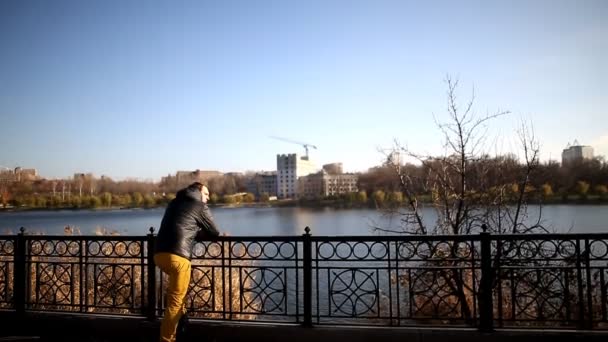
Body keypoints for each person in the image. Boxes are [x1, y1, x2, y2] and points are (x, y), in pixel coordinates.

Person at [154, 182, 220, 342]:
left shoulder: (174, 202)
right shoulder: (199, 206)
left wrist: (191, 230)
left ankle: (182, 325)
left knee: (176, 295)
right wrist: (197, 233)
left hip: (159, 255)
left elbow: (179, 224)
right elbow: (214, 232)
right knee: (175, 303)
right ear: (198, 193)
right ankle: (167, 339)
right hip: (178, 258)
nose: (208, 198)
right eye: (206, 194)